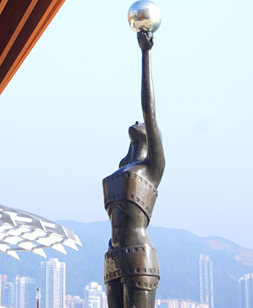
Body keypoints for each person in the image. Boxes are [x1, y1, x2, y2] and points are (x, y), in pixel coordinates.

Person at [103, 30, 165, 308]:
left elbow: (149, 109)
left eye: (143, 124)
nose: (138, 121)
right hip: (113, 256)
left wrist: (145, 54)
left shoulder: (152, 168)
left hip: (139, 256)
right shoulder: (123, 166)